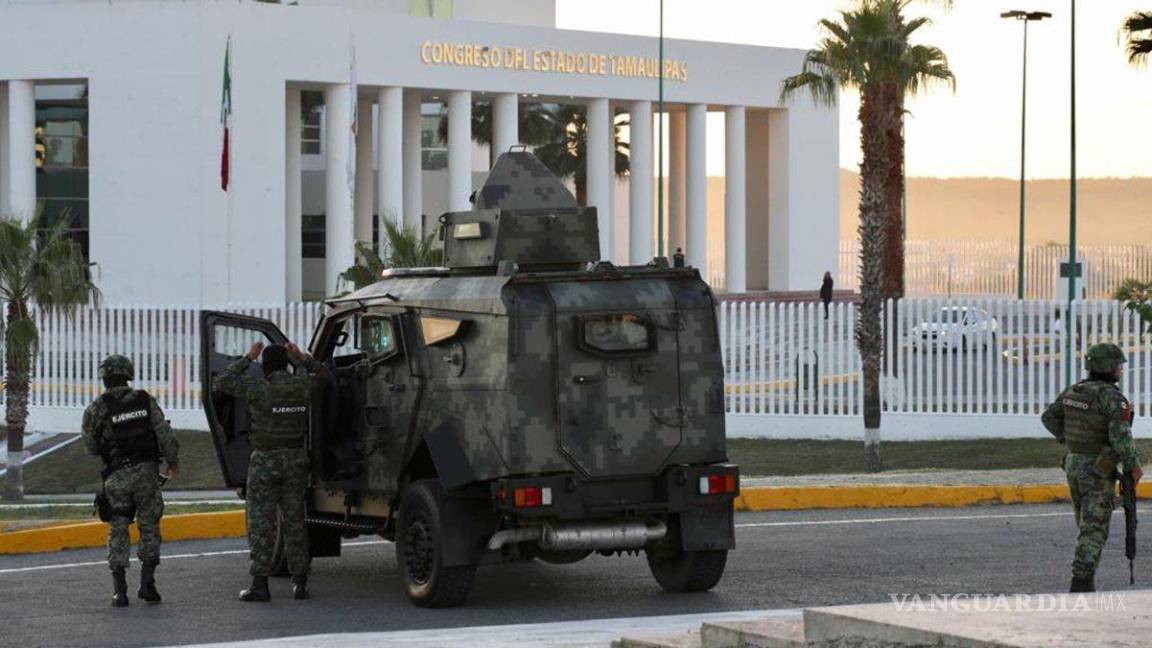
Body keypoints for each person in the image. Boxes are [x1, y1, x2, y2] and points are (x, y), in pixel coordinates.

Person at [215, 341, 327, 602]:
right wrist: (302, 358)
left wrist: (247, 357)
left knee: (261, 522)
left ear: (264, 366)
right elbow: (325, 377)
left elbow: (222, 381)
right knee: (295, 520)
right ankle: (300, 583)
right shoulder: (302, 386)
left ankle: (260, 584)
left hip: (265, 460)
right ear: (287, 364)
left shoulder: (258, 388)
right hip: (296, 459)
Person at [1041, 342, 1142, 593]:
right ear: (1107, 366)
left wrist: (1071, 441)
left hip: (1074, 464)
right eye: (1118, 365)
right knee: (1094, 529)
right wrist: (1133, 466)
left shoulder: (1074, 391)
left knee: (1086, 525)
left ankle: (1085, 578)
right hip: (1097, 469)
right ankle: (1081, 584)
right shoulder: (1112, 398)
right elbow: (1121, 437)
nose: (1120, 369)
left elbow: (1049, 417)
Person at [82, 354, 179, 608]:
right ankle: (148, 585)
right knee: (149, 527)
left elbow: (91, 446)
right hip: (147, 474)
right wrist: (172, 461)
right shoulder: (145, 400)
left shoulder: (97, 408)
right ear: (128, 373)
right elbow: (165, 434)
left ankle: (120, 591)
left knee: (118, 528)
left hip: (116, 475)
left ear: (104, 378)